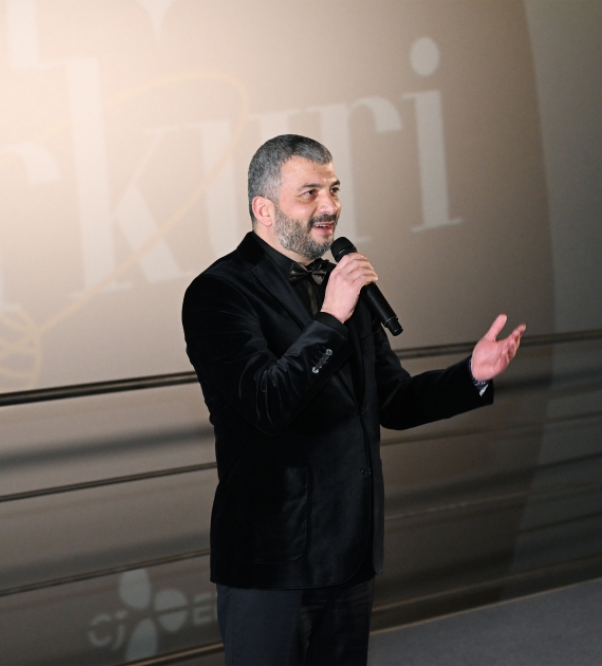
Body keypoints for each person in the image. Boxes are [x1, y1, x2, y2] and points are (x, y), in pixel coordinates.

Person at [181, 134, 524, 665]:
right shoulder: (219, 292)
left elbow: (395, 401)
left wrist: (471, 376)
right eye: (310, 193)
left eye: (334, 190)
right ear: (264, 209)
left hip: (349, 555)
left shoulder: (342, 286)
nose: (330, 206)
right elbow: (266, 403)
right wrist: (331, 317)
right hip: (272, 563)